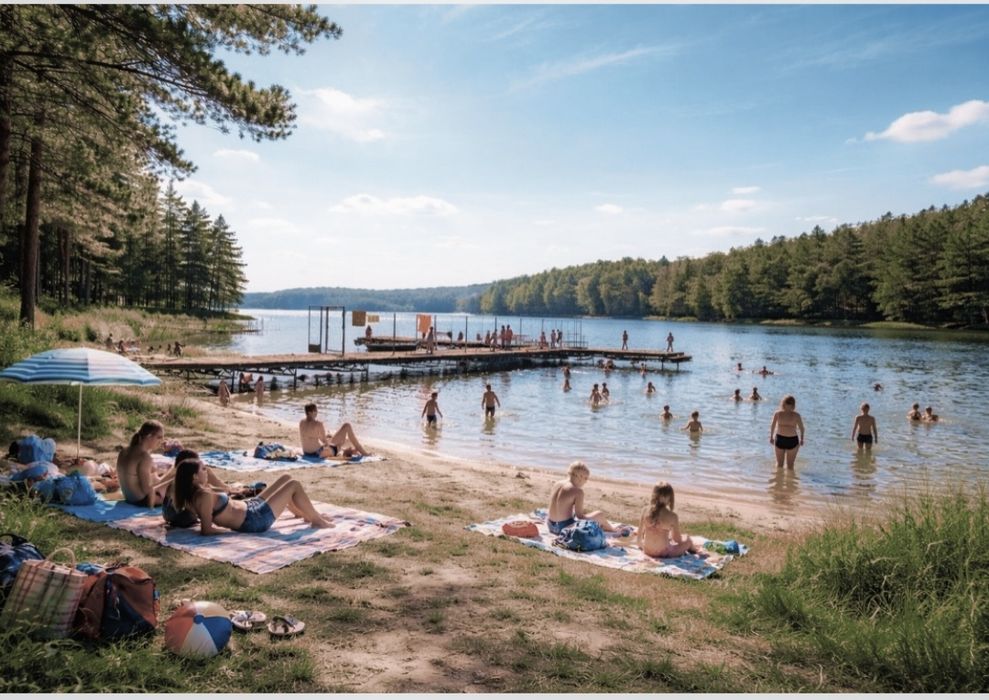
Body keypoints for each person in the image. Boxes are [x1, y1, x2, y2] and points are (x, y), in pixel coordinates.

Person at [172, 459, 333, 535]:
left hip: (251, 506)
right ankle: (317, 520)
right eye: (203, 469)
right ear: (194, 477)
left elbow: (223, 493)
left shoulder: (197, 491)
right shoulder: (203, 497)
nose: (207, 471)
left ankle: (306, 514)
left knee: (286, 477)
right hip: (254, 520)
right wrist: (232, 533)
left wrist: (238, 490)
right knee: (294, 485)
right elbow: (206, 529)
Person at [547, 461, 617, 534]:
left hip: (550, 525)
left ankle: (606, 526)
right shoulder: (578, 491)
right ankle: (611, 529)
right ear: (580, 476)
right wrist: (596, 518)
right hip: (563, 528)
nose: (586, 481)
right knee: (599, 514)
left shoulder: (557, 484)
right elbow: (580, 516)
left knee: (571, 512)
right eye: (586, 478)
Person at [637, 482, 702, 558]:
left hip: (647, 550)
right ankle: (694, 549)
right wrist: (683, 539)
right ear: (670, 498)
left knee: (668, 538)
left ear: (654, 495)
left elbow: (639, 539)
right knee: (688, 540)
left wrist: (643, 546)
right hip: (663, 553)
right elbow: (677, 540)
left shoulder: (645, 510)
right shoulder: (672, 516)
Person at [117, 420, 170, 507]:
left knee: (165, 473)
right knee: (178, 474)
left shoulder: (124, 451)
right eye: (159, 437)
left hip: (129, 498)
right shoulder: (144, 457)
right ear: (149, 436)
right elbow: (147, 490)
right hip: (141, 500)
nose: (161, 441)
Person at [299, 403, 369, 458]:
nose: (317, 413)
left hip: (306, 452)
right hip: (318, 453)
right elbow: (325, 442)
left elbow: (313, 437)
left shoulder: (301, 422)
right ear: (311, 412)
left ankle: (351, 450)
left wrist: (328, 439)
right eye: (316, 411)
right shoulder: (318, 424)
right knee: (346, 427)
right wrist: (328, 441)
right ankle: (363, 452)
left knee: (337, 440)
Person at [770, 395, 805, 469]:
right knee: (780, 465)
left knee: (790, 465)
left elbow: (802, 428)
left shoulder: (796, 415)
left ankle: (787, 479)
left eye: (790, 403)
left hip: (791, 440)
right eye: (787, 403)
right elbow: (772, 425)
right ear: (783, 403)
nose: (788, 405)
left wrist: (802, 439)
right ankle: (780, 479)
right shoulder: (778, 413)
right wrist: (771, 437)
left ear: (793, 405)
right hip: (780, 439)